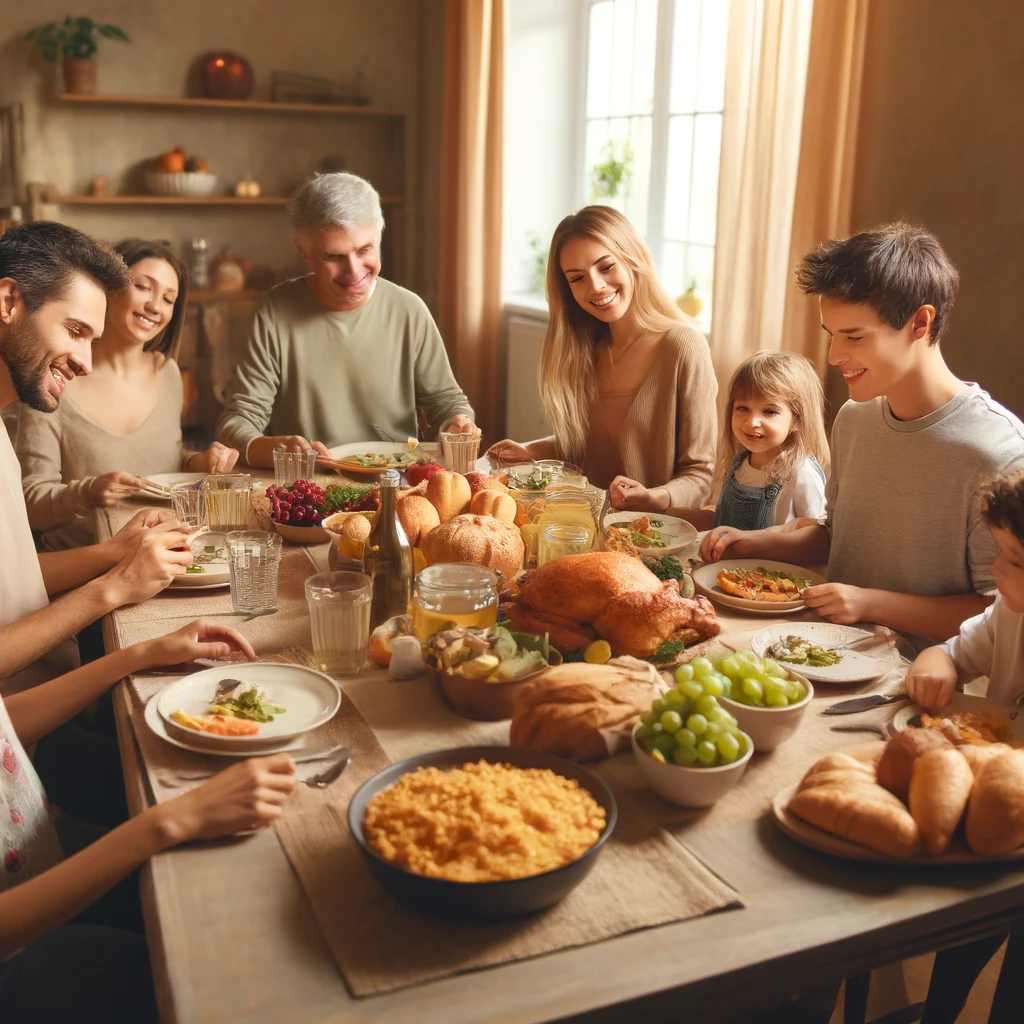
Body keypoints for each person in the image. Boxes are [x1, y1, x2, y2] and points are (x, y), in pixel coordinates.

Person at [700, 223, 1024, 644]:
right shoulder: (855, 418)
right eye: (831, 335)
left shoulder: (998, 453)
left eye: (853, 336)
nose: (834, 356)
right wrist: (752, 543)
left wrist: (869, 604)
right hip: (819, 648)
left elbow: (999, 615)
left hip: (916, 686)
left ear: (920, 323)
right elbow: (837, 536)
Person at [0, 616, 297, 1021]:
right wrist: (169, 820)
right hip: (18, 950)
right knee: (235, 977)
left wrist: (141, 654)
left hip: (40, 846)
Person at [0, 221, 194, 696]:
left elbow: (15, 575)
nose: (86, 361)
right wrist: (113, 586)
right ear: (7, 302)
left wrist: (114, 553)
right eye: (75, 330)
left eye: (93, 338)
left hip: (48, 693)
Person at [215, 172, 478, 467]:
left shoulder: (410, 310)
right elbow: (237, 421)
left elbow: (447, 402)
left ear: (379, 240)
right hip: (310, 488)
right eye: (333, 257)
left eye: (364, 250)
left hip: (400, 484)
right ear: (304, 252)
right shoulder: (273, 314)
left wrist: (459, 422)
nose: (354, 272)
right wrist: (266, 447)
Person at [8, 238, 238, 550]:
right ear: (110, 288)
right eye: (143, 287)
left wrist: (202, 462)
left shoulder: (168, 372)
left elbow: (163, 464)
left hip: (164, 552)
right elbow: (30, 503)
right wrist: (87, 493)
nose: (155, 306)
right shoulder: (54, 374)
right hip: (84, 565)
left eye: (169, 299)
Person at [486, 205, 717, 512]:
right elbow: (588, 445)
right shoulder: (585, 348)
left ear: (633, 259)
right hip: (581, 524)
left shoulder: (683, 346)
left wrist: (653, 497)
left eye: (606, 267)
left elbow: (701, 474)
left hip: (649, 537)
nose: (596, 286)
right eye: (577, 278)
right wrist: (531, 451)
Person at [907, 466, 1024, 709]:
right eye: (999, 550)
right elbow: (951, 653)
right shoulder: (1010, 615)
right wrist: (935, 667)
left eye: (1015, 562)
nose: (995, 569)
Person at [672, 350, 827, 532]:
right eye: (743, 408)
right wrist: (665, 511)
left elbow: (815, 537)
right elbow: (720, 522)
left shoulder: (801, 473)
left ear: (796, 420)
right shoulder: (737, 463)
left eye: (769, 412)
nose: (752, 422)